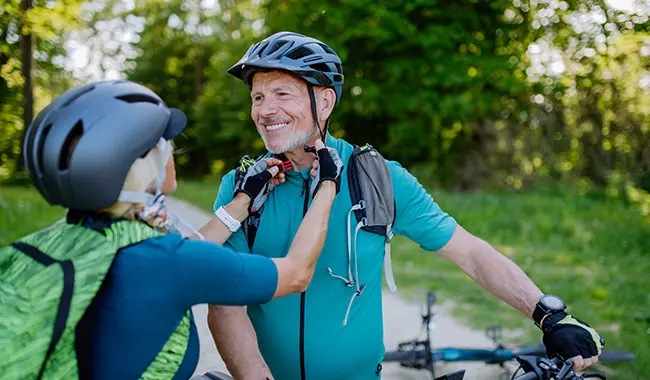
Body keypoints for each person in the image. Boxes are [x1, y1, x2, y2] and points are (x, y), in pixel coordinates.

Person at [201, 32, 605, 380]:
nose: (265, 110)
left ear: (324, 102)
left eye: (281, 94)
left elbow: (469, 252)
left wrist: (548, 313)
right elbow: (226, 301)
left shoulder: (376, 177)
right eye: (258, 97)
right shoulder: (242, 189)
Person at [1, 79, 342, 380]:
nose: (172, 154)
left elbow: (190, 247)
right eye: (165, 147)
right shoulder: (169, 262)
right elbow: (296, 272)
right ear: (143, 165)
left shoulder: (56, 241)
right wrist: (327, 183)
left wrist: (243, 199)